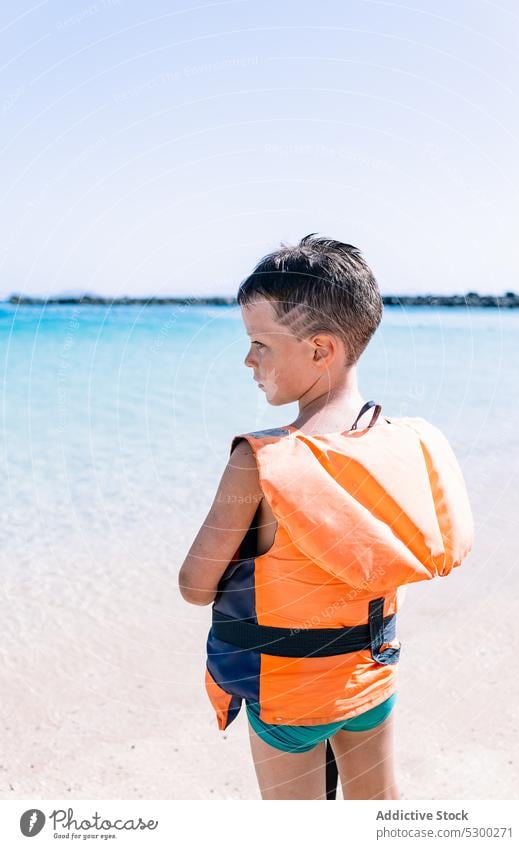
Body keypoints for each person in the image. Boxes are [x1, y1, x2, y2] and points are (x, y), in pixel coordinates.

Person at [178, 234, 474, 800]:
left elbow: (195, 587)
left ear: (320, 350)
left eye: (260, 343)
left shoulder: (260, 463)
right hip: (371, 677)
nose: (248, 360)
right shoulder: (406, 441)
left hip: (290, 692)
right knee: (378, 806)